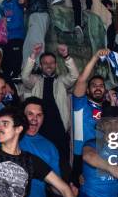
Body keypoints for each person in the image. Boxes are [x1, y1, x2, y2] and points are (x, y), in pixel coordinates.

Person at [21, 43, 78, 173]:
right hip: (39, 130)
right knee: (40, 163)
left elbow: (74, 76)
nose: (48, 65)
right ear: (40, 66)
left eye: (52, 62)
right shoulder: (35, 81)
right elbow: (24, 77)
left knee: (62, 164)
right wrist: (33, 56)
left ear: (56, 65)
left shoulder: (62, 82)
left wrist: (66, 56)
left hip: (59, 131)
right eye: (45, 63)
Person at [72, 49, 110, 185]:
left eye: (101, 86)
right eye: (94, 86)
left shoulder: (108, 109)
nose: (98, 88)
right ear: (88, 90)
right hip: (80, 155)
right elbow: (82, 79)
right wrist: (95, 57)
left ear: (105, 90)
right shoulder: (80, 104)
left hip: (103, 155)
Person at [20, 0, 50, 66]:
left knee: (35, 44)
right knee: (30, 43)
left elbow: (23, 1)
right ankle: (28, 68)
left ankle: (37, 67)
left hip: (37, 14)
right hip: (42, 15)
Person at [0, 0, 26, 79]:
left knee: (16, 59)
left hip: (17, 35)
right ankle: (7, 79)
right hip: (7, 37)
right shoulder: (3, 4)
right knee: (6, 61)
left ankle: (17, 76)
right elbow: (2, 18)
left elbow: (22, 1)